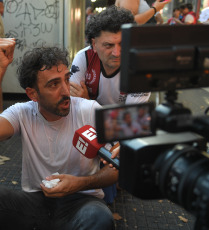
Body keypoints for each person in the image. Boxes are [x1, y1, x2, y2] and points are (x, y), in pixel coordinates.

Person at [0, 38, 118, 230]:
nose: (66, 91)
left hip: (81, 202)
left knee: (100, 217)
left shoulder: (90, 110)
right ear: (32, 94)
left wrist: (79, 184)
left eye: (66, 79)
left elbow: (116, 168)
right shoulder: (22, 112)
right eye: (53, 85)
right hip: (36, 201)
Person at [69, 6, 150, 204]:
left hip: (120, 127)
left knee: (120, 157)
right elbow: (71, 107)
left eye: (123, 43)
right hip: (93, 121)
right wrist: (86, 105)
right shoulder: (84, 57)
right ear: (94, 44)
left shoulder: (139, 66)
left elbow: (133, 122)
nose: (117, 52)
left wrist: (88, 101)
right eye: (108, 45)